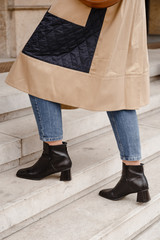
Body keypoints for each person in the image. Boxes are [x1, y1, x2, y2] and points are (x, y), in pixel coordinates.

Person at [5, 0, 151, 203]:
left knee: (36, 64)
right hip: (126, 13)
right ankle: (134, 174)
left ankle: (54, 154)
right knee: (119, 88)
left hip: (92, 11)